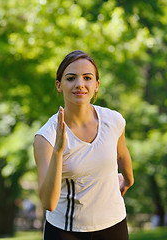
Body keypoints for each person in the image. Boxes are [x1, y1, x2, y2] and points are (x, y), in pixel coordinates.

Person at [33, 50, 134, 239]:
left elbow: (122, 154)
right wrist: (58, 151)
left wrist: (128, 180)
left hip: (114, 224)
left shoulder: (114, 121)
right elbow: (48, 202)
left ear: (96, 85)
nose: (80, 84)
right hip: (67, 230)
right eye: (71, 78)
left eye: (87, 78)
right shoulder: (45, 137)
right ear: (59, 85)